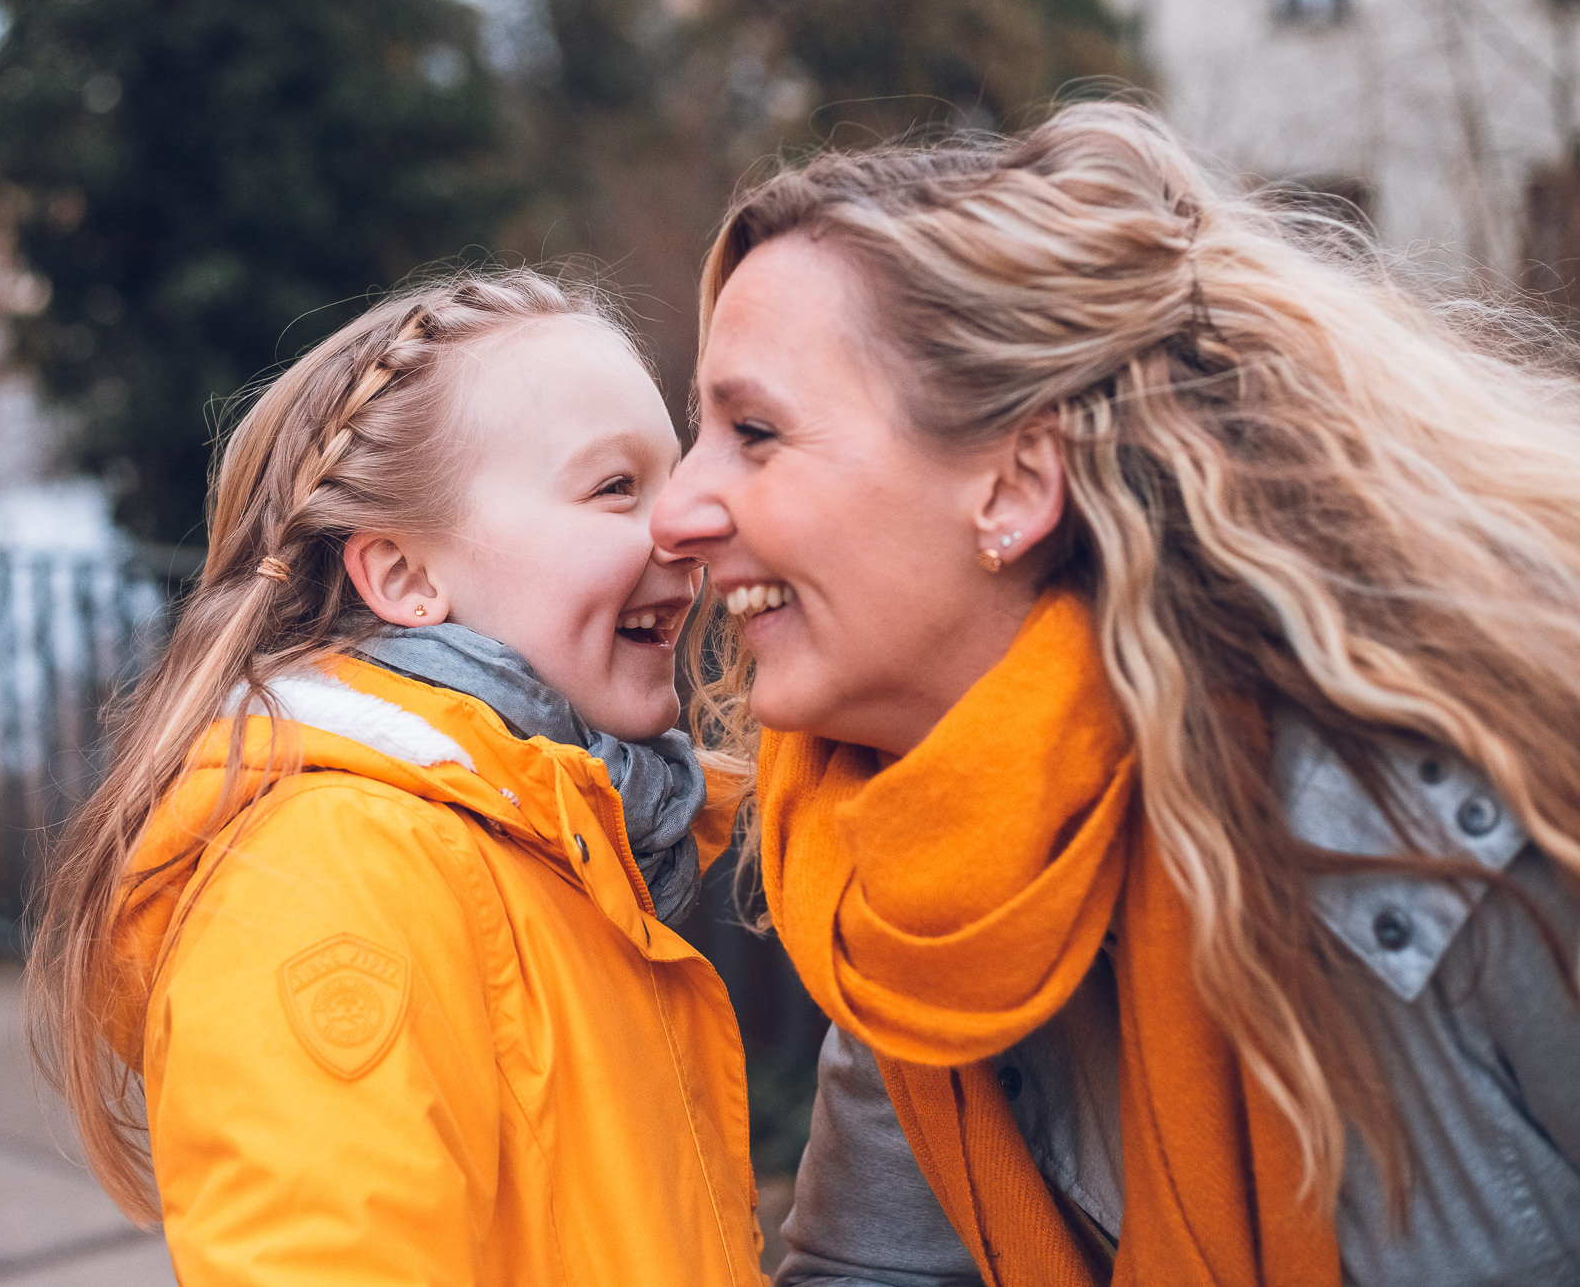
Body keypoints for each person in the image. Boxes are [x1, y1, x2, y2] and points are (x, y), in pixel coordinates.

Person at [653, 102, 1580, 1286]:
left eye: (753, 431)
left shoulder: (1435, 815)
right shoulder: (907, 885)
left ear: (1013, 487)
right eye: (699, 430)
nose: (675, 514)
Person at [28, 270, 764, 1284]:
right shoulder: (333, 875)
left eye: (670, 477)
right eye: (612, 487)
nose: (682, 522)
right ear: (407, 578)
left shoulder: (549, 835)